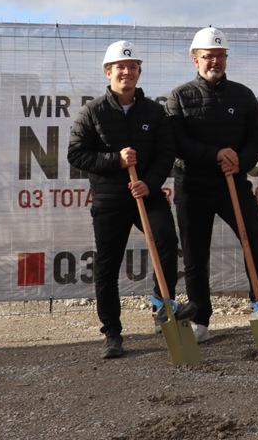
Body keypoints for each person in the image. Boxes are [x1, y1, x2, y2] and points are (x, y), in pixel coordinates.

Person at [67, 40, 194, 360]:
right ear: (108, 72)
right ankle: (112, 332)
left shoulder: (154, 111)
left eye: (133, 66)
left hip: (146, 194)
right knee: (107, 264)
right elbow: (76, 154)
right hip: (110, 198)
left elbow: (166, 152)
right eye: (120, 67)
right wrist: (116, 161)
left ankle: (162, 306)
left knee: (166, 238)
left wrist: (149, 184)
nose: (127, 72)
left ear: (139, 73)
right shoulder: (92, 111)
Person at [166, 27, 258, 343]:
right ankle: (201, 319)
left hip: (232, 184)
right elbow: (177, 142)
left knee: (256, 235)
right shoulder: (179, 97)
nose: (215, 62)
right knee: (195, 255)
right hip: (192, 187)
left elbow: (256, 139)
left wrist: (241, 161)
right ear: (196, 60)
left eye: (220, 56)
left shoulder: (242, 95)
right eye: (209, 56)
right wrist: (215, 154)